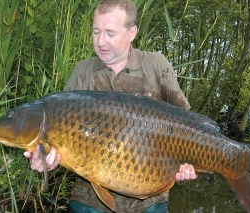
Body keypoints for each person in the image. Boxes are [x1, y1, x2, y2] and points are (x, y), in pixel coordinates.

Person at [24, 0, 197, 212]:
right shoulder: (83, 71)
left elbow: (189, 127)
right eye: (96, 32)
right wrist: (45, 160)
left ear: (132, 32)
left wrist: (187, 164)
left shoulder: (156, 65)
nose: (101, 41)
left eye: (110, 33)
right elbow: (61, 137)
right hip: (89, 200)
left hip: (149, 199)